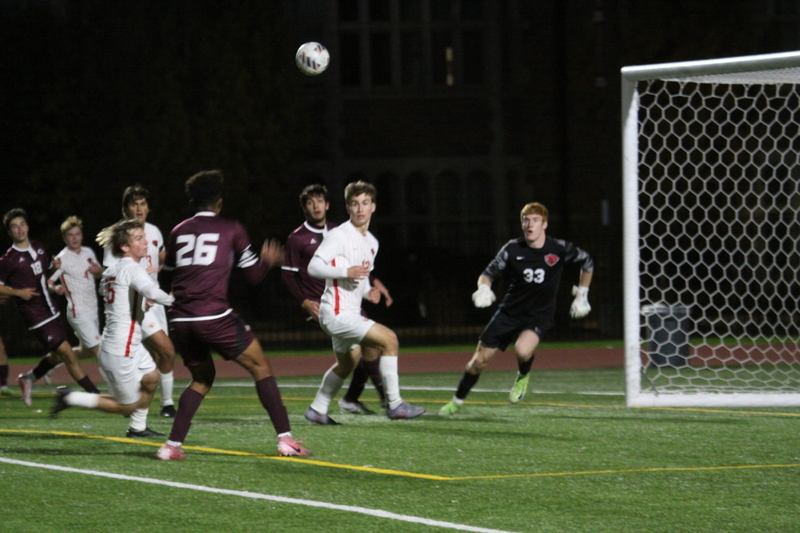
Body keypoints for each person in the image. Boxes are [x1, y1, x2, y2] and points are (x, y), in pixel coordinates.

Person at [156, 170, 311, 460]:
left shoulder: (178, 231)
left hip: (181, 320)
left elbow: (165, 276)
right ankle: (286, 441)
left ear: (193, 202)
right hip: (213, 316)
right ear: (219, 202)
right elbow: (253, 276)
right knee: (260, 366)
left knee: (202, 379)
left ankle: (171, 446)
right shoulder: (231, 228)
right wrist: (268, 261)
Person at [439, 202, 594, 416]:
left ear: (544, 224)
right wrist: (484, 288)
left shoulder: (558, 248)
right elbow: (488, 273)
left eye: (535, 220)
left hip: (539, 314)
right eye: (526, 220)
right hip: (509, 312)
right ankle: (456, 402)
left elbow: (587, 262)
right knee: (478, 362)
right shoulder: (512, 249)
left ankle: (523, 375)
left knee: (522, 350)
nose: (530, 225)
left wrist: (582, 294)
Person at [304, 180, 425, 424]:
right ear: (348, 208)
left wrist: (368, 292)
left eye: (365, 203)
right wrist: (345, 272)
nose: (360, 209)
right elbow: (313, 267)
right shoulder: (339, 235)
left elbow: (361, 278)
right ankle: (395, 405)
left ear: (373, 207)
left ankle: (317, 409)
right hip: (336, 313)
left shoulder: (372, 243)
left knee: (347, 364)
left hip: (348, 312)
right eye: (355, 204)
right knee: (389, 340)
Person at [51, 219, 173, 438]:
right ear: (124, 246)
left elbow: (106, 291)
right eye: (139, 239)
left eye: (144, 237)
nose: (145, 242)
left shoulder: (113, 270)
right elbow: (152, 292)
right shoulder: (132, 268)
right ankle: (70, 398)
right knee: (126, 406)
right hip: (121, 350)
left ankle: (137, 428)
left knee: (151, 378)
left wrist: (137, 300)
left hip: (128, 344)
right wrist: (175, 300)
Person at [282, 184, 390, 415]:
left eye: (320, 201)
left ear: (328, 205)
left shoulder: (338, 231)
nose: (316, 206)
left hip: (347, 300)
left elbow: (358, 264)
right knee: (371, 345)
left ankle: (347, 401)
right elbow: (288, 276)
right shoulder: (297, 238)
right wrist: (304, 302)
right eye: (310, 202)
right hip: (322, 304)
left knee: (358, 354)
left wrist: (373, 284)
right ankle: (388, 400)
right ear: (304, 208)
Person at [0, 208, 100, 406]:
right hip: (35, 315)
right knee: (68, 355)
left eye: (22, 224)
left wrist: (54, 274)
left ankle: (28, 378)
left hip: (51, 309)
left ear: (27, 226)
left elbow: (43, 276)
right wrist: (17, 292)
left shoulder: (38, 247)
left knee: (57, 355)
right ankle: (97, 396)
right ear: (9, 232)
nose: (20, 229)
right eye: (14, 227)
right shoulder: (8, 259)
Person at [103, 185, 176, 417]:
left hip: (154, 303)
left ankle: (140, 413)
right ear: (125, 209)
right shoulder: (120, 237)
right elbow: (111, 273)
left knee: (156, 359)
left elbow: (164, 259)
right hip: (136, 306)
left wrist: (168, 266)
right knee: (166, 351)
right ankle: (164, 404)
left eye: (142, 204)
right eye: (134, 204)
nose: (138, 208)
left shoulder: (154, 232)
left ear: (148, 207)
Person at [48, 216, 103, 360]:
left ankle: (52, 360)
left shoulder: (88, 252)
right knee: (100, 350)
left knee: (86, 352)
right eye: (70, 235)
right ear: (64, 238)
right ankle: (118, 377)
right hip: (78, 312)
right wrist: (55, 288)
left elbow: (99, 274)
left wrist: (98, 271)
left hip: (92, 308)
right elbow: (48, 283)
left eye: (77, 234)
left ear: (82, 235)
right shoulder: (62, 259)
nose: (74, 238)